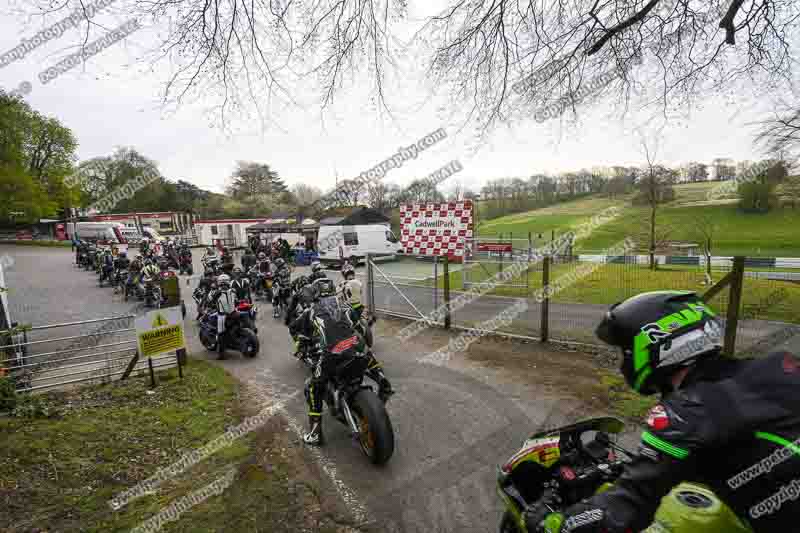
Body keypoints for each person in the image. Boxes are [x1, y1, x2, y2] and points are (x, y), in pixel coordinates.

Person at [531, 291, 800, 533]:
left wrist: (554, 524)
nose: (623, 362)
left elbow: (623, 512)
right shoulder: (780, 365)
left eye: (625, 352)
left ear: (656, 346)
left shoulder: (685, 412)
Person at [301, 278, 392, 446]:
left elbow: (305, 335)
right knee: (365, 353)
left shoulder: (311, 311)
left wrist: (305, 341)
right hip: (356, 346)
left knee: (314, 386)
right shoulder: (345, 304)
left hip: (332, 354)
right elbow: (361, 326)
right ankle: (383, 384)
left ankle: (315, 434)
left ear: (315, 293)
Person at [206, 274, 237, 358]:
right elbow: (236, 300)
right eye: (223, 283)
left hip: (223, 316)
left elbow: (210, 301)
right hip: (233, 313)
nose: (224, 285)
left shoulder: (218, 293)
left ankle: (221, 354)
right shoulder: (233, 290)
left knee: (221, 334)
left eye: (224, 283)